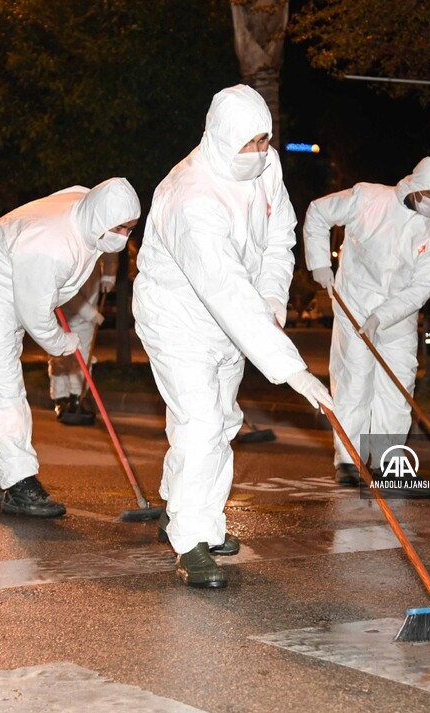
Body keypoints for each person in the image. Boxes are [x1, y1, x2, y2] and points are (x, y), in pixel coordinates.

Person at [134, 84, 332, 588]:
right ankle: (190, 541)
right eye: (250, 143)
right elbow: (222, 287)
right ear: (220, 138)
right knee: (200, 422)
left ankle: (191, 514)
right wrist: (292, 369)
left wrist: (271, 299)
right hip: (178, 316)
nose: (261, 152)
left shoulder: (267, 167)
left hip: (234, 313)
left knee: (220, 422)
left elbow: (278, 237)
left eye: (266, 140)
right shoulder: (189, 196)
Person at [0, 178, 141, 517]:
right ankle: (19, 481)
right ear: (100, 217)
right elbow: (36, 314)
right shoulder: (50, 245)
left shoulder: (86, 208)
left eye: (130, 228)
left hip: (10, 280)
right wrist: (61, 343)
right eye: (120, 228)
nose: (124, 236)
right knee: (3, 384)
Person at [304, 157, 430, 486]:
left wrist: (382, 316)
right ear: (415, 187)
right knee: (355, 383)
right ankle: (349, 459)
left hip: (398, 317)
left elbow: (423, 286)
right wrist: (319, 264)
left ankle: (390, 460)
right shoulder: (368, 199)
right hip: (354, 305)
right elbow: (318, 212)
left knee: (398, 389)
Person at [47, 256, 115, 426]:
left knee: (83, 359)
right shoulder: (66, 252)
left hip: (85, 321)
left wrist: (108, 274)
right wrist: (91, 313)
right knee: (60, 360)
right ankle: (60, 399)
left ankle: (76, 398)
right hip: (63, 318)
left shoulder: (96, 243)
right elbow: (64, 292)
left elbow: (112, 252)